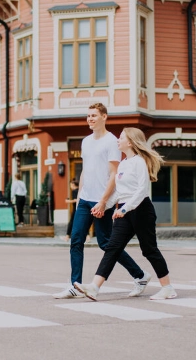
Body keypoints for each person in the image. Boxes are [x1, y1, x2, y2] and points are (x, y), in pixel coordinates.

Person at [53, 103, 149, 299]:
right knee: (76, 240)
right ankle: (74, 284)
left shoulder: (112, 141)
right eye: (88, 115)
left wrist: (104, 201)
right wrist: (79, 196)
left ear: (104, 117)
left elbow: (114, 174)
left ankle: (140, 275)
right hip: (85, 199)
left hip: (101, 201)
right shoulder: (86, 141)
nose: (90, 119)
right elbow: (86, 171)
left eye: (94, 115)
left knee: (105, 243)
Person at [73, 127, 176, 301]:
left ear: (130, 142)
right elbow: (120, 192)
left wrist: (123, 209)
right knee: (112, 248)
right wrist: (103, 206)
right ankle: (94, 287)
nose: (117, 140)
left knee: (149, 249)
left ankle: (167, 288)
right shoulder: (123, 164)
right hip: (125, 211)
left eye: (121, 138)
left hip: (141, 210)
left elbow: (141, 191)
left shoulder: (139, 162)